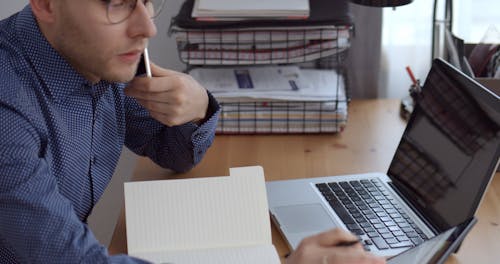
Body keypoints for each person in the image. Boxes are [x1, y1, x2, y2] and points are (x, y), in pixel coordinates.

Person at [0, 1, 385, 263]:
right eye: (116, 2)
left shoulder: (97, 55)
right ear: (47, 4)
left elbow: (172, 152)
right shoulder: (7, 109)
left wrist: (198, 106)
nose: (147, 26)